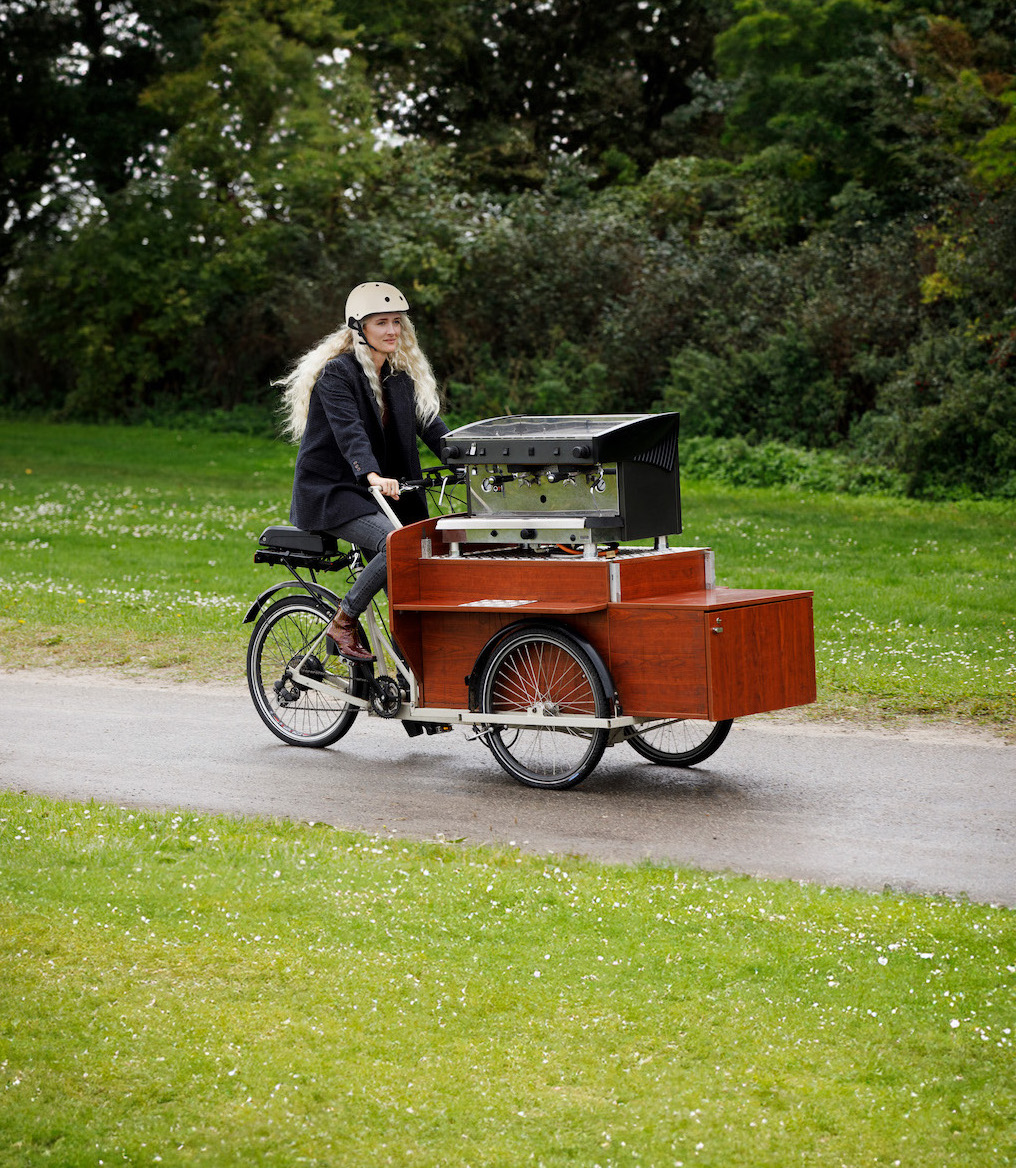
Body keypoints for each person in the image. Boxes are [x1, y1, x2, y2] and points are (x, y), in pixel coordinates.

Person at [278, 281, 450, 662]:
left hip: (384, 494)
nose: (392, 331)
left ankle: (415, 689)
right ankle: (343, 621)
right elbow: (350, 433)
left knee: (418, 581)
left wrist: (473, 461)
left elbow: (435, 428)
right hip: (335, 492)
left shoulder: (399, 377)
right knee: (396, 544)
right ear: (359, 328)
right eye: (381, 323)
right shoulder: (338, 375)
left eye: (397, 322)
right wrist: (370, 474)